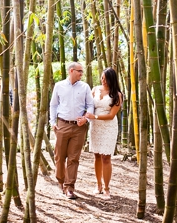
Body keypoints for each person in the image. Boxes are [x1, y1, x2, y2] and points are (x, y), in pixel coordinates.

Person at [49, 61, 94, 200]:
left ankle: (69, 187)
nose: (81, 73)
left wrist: (86, 118)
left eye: (82, 71)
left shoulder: (85, 87)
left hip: (79, 127)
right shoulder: (59, 86)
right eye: (79, 71)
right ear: (71, 71)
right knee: (59, 157)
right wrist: (52, 122)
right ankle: (61, 181)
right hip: (62, 124)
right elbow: (53, 105)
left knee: (74, 158)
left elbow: (90, 105)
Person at [85, 67, 123, 199]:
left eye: (106, 79)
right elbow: (88, 105)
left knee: (106, 157)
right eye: (102, 78)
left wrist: (94, 117)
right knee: (96, 156)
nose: (103, 81)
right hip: (95, 127)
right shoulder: (95, 89)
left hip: (108, 127)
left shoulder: (117, 94)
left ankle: (107, 188)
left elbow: (112, 115)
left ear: (112, 79)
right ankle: (98, 185)